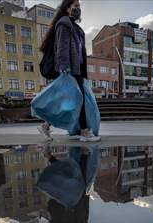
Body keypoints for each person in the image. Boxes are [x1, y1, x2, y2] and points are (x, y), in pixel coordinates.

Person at [39, 0, 100, 142]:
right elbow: (62, 48)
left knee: (65, 101)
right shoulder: (64, 23)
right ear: (67, 8)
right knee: (79, 100)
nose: (78, 8)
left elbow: (81, 53)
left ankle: (45, 126)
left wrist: (83, 73)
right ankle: (84, 132)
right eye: (75, 6)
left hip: (77, 70)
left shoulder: (77, 29)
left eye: (79, 6)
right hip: (69, 70)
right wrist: (64, 69)